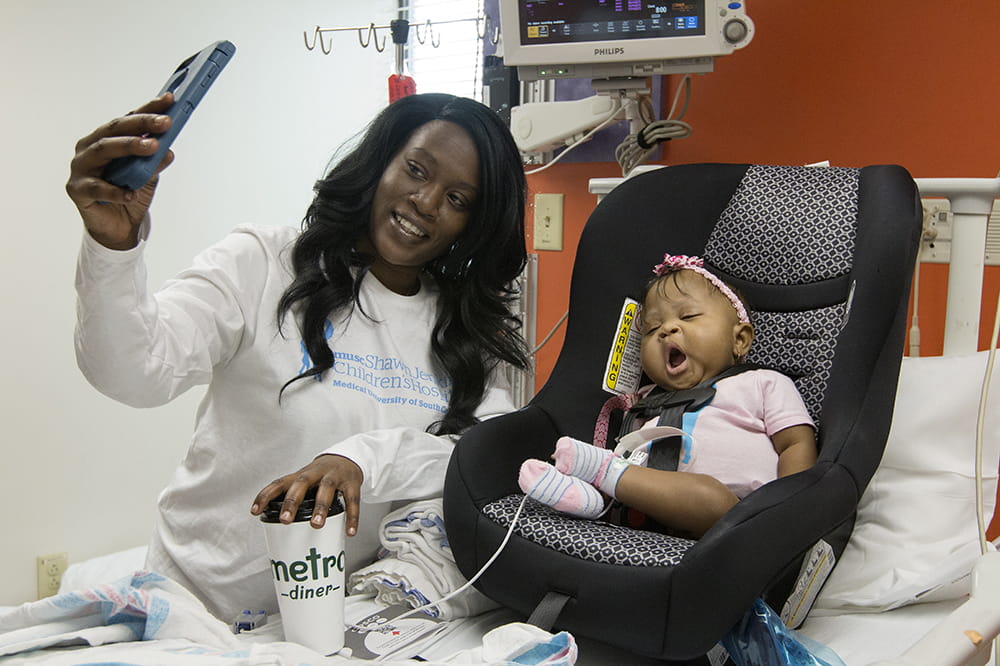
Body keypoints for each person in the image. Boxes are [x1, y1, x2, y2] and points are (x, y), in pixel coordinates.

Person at [67, 91, 529, 620]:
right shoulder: (263, 263)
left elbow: (483, 463)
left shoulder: (464, 335)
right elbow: (133, 371)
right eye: (416, 170)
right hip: (195, 610)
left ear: (475, 224)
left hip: (332, 629)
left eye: (457, 200)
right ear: (379, 163)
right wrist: (112, 247)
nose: (426, 202)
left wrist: (363, 459)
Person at [517, 254, 817, 538]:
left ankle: (600, 471)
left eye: (688, 315)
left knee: (708, 497)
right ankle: (590, 500)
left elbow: (795, 443)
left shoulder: (762, 382)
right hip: (647, 518)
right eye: (652, 329)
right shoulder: (644, 403)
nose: (667, 330)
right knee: (629, 475)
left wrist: (787, 511)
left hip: (738, 519)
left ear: (739, 339)